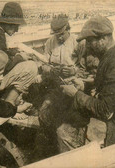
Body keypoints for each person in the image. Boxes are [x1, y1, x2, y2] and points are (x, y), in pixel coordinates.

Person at [60, 16, 115, 147]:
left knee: (64, 134)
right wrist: (83, 85)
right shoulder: (111, 55)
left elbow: (105, 110)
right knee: (66, 123)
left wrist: (76, 95)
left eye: (90, 41)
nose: (87, 46)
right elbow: (106, 87)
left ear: (104, 39)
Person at [32, 14, 90, 161]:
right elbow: (43, 64)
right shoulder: (50, 42)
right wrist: (50, 70)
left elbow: (87, 70)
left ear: (68, 29)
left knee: (68, 124)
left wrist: (74, 71)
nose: (59, 38)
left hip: (74, 88)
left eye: (62, 34)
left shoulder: (79, 43)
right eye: (56, 35)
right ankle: (52, 150)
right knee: (44, 113)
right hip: (55, 86)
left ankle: (74, 153)